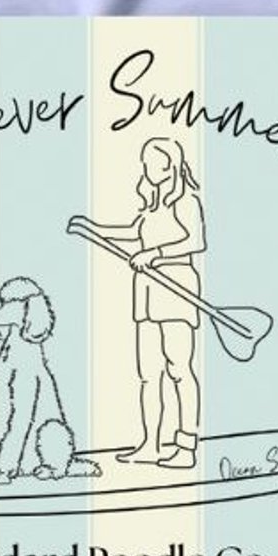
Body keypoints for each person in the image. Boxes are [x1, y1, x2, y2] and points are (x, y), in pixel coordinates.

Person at [89, 136, 204, 468]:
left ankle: (185, 447)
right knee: (148, 373)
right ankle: (150, 444)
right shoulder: (152, 203)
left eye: (150, 162)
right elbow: (132, 231)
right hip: (148, 290)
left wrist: (155, 254)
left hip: (178, 287)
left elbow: (196, 240)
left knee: (179, 369)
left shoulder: (187, 200)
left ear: (168, 164)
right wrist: (93, 228)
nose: (145, 168)